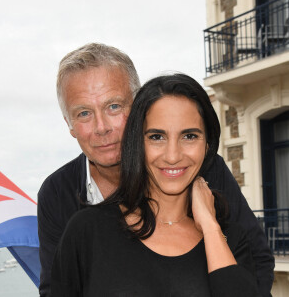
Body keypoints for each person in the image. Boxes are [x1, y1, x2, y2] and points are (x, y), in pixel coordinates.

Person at [38, 43, 274, 297]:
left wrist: (210, 226)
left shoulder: (203, 169)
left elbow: (256, 262)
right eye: (84, 113)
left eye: (114, 107)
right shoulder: (59, 196)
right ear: (69, 125)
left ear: (139, 107)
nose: (101, 127)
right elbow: (57, 287)